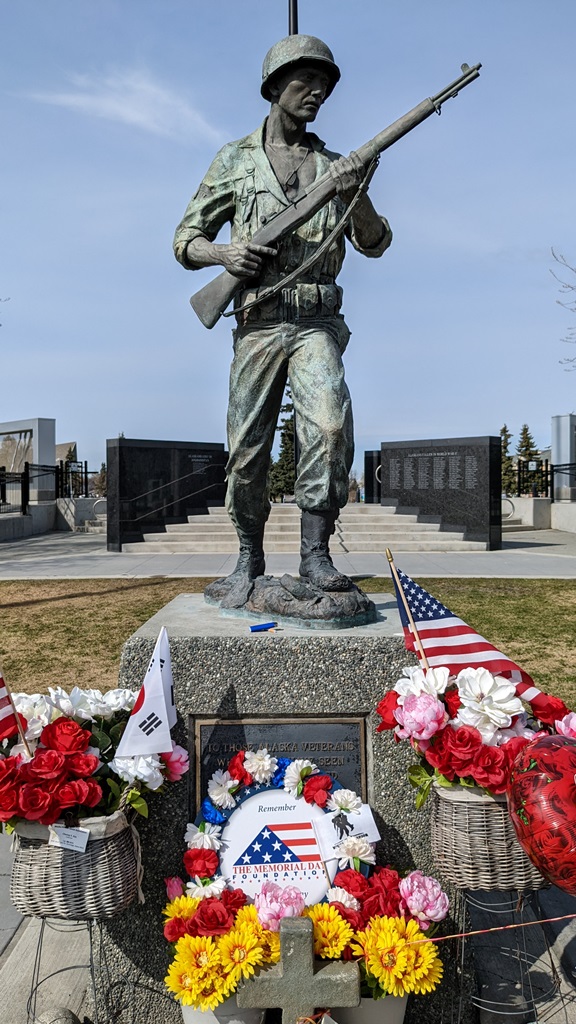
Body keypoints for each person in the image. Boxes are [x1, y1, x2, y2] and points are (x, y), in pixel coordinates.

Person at [174, 35, 392, 592]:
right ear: (274, 87)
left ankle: (316, 554)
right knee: (248, 450)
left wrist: (355, 192)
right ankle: (248, 556)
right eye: (304, 82)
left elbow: (376, 241)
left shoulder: (335, 166)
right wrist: (225, 253)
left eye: (325, 85)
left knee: (329, 424)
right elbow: (185, 239)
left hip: (316, 322)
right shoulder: (235, 160)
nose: (316, 93)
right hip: (258, 322)